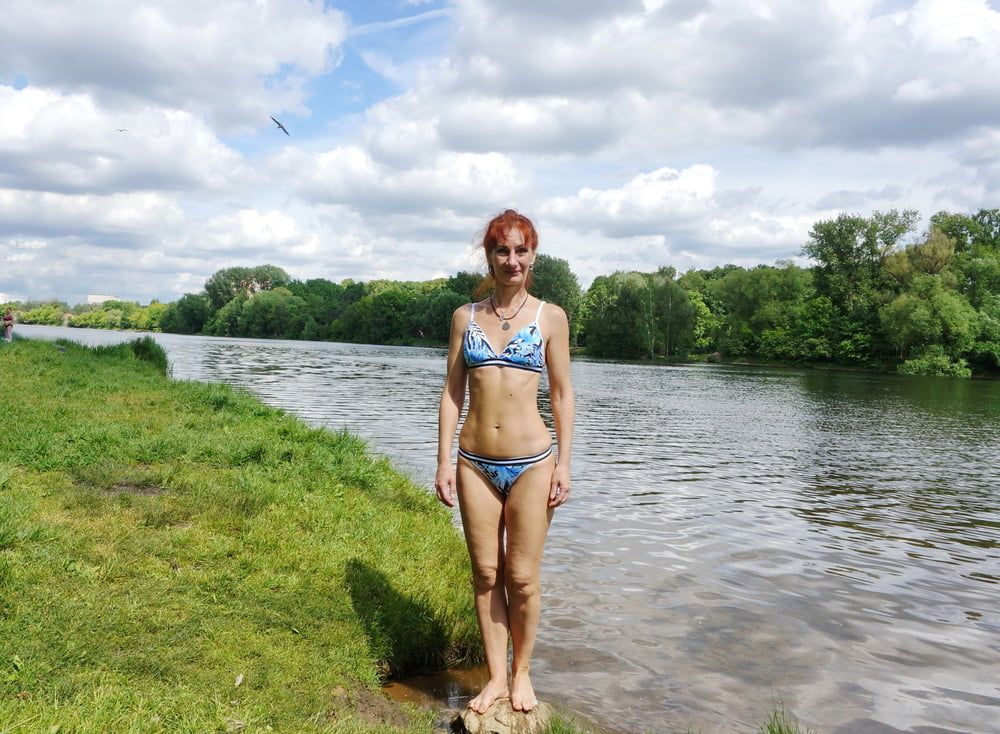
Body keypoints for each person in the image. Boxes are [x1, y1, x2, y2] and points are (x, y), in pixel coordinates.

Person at [436, 209, 575, 715]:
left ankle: (522, 674)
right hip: (473, 462)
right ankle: (495, 676)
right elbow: (452, 393)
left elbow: (561, 394)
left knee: (522, 578)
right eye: (502, 250)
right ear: (490, 256)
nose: (511, 260)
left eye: (521, 250)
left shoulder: (550, 317)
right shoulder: (464, 317)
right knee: (486, 572)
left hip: (534, 463)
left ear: (532, 255)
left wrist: (564, 462)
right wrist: (443, 461)